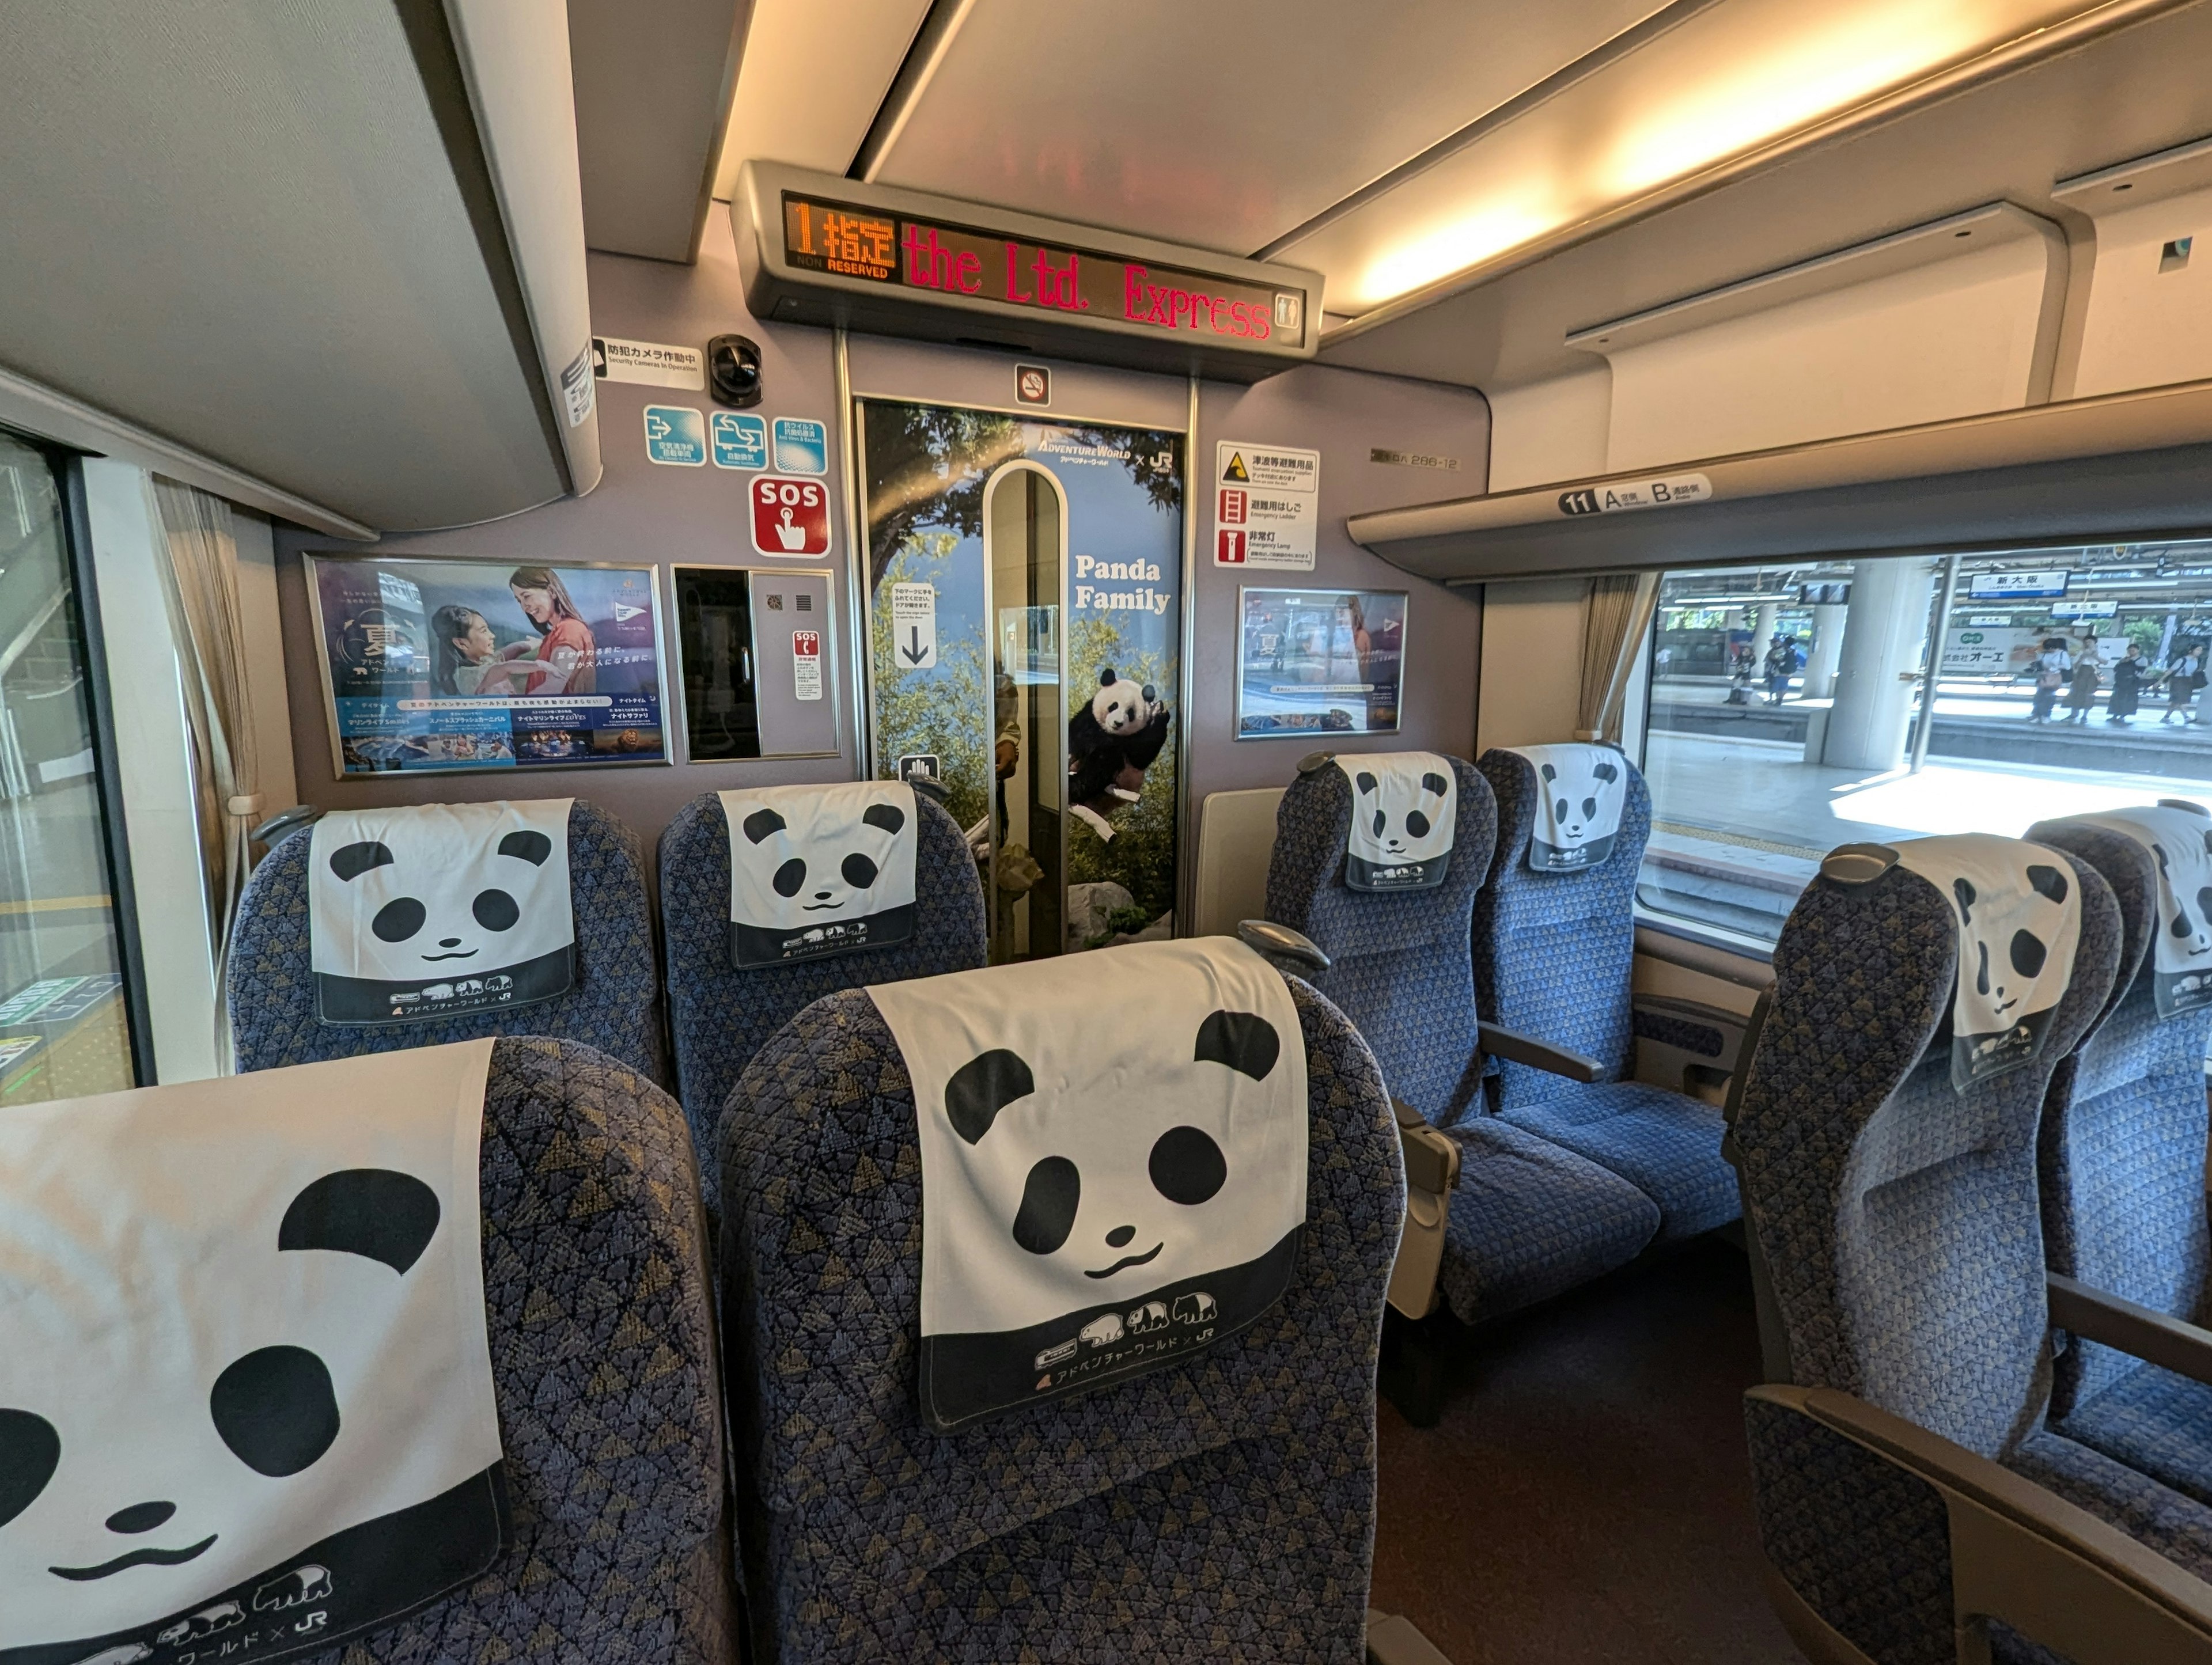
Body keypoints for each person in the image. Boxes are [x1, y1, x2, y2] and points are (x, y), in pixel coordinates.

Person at [499, 567, 597, 696]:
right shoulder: (557, 634)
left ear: (551, 592)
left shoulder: (569, 630)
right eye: (519, 601)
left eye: (527, 596)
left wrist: (517, 708)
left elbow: (553, 688)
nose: (524, 607)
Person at [430, 604, 527, 697]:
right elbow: (503, 667)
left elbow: (514, 649)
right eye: (484, 631)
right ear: (461, 643)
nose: (493, 636)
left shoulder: (483, 662)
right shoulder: (471, 677)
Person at [2029, 638, 2071, 723]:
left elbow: (2068, 667)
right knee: (2039, 696)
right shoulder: (2044, 654)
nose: (2049, 650)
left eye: (2050, 649)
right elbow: (2040, 662)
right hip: (2043, 676)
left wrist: (2053, 667)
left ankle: (2046, 715)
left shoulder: (2062, 654)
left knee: (2049, 696)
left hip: (2054, 676)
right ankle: (2037, 715)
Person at [2107, 643, 2147, 725]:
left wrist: (2133, 674)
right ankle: (2115, 714)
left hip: (2132, 683)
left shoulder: (2142, 660)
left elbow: (2141, 671)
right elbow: (2116, 669)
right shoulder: (2124, 659)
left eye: (2133, 651)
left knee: (2128, 699)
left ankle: (2123, 715)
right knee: (2116, 698)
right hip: (2120, 682)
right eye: (2130, 651)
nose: (2131, 652)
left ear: (2138, 651)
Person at [2164, 646, 2203, 725]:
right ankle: (2186, 717)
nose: (2200, 652)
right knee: (2179, 700)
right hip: (2178, 681)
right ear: (2191, 650)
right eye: (2198, 650)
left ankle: (2166, 717)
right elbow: (2171, 670)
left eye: (2201, 650)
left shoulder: (2196, 661)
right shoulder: (2182, 660)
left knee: (2177, 701)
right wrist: (2161, 681)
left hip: (2188, 681)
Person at [2063, 654, 2100, 724]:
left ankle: (2084, 716)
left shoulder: (2100, 651)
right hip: (2080, 675)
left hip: (2092, 676)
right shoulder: (2081, 652)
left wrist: (2095, 656)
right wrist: (2082, 657)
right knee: (2075, 694)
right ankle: (2074, 714)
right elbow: (2075, 665)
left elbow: (2105, 662)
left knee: (2089, 695)